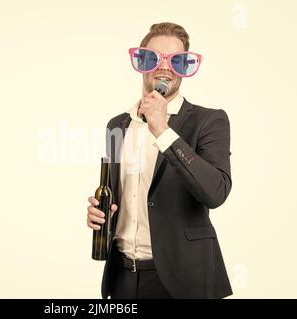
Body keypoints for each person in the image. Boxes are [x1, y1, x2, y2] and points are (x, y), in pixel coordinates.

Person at [86, 22, 233, 299]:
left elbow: (216, 192)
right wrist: (100, 215)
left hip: (182, 279)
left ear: (184, 68)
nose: (165, 67)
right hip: (121, 276)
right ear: (142, 62)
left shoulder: (209, 120)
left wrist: (163, 130)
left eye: (176, 61)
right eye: (154, 58)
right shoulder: (117, 125)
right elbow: (116, 193)